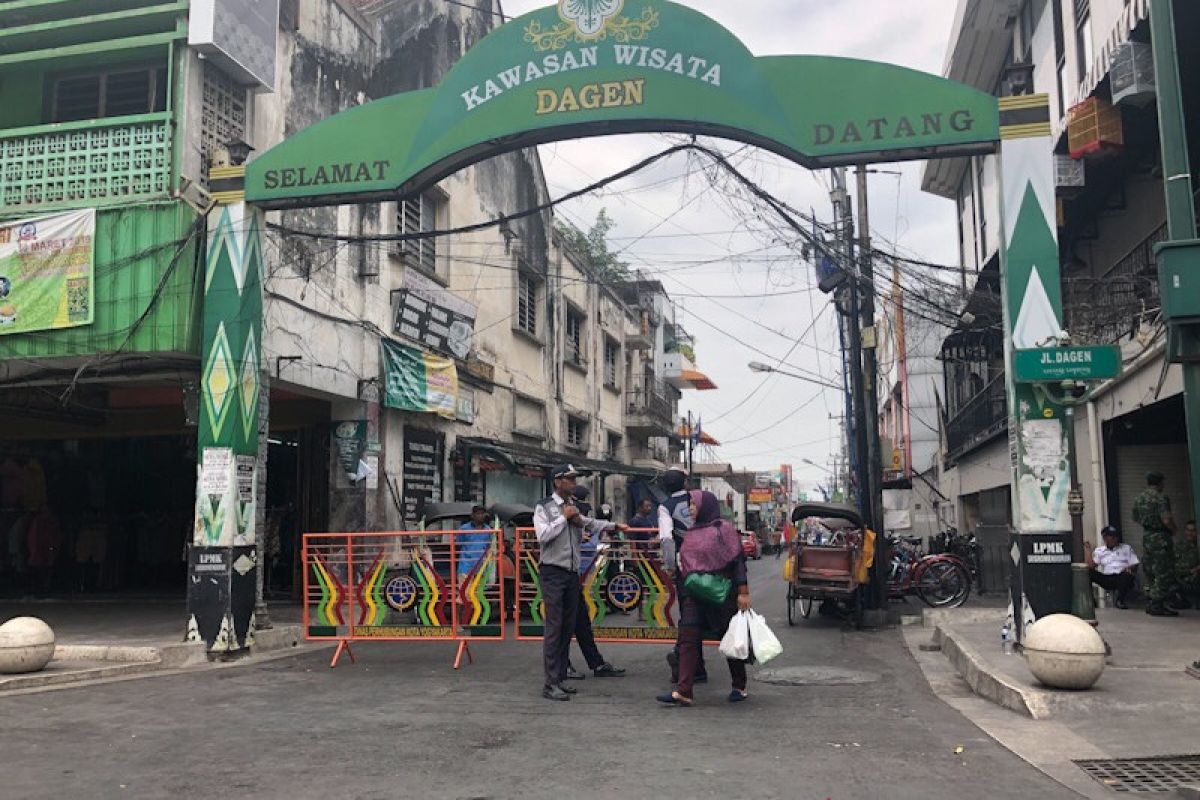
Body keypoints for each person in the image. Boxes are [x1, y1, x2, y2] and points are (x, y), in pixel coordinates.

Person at [534, 464, 626, 701]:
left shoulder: (571, 506)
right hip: (553, 572)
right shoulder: (544, 507)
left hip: (571, 573)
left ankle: (561, 677)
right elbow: (543, 536)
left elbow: (589, 523)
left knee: (567, 627)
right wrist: (562, 520)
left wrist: (614, 526)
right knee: (554, 628)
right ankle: (550, 683)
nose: (574, 483)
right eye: (570, 479)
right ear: (558, 481)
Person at [656, 489, 751, 706]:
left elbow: (738, 561)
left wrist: (743, 591)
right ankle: (684, 691)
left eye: (693, 504)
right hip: (694, 593)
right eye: (689, 504)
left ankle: (739, 685)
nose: (689, 509)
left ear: (704, 506)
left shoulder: (723, 529)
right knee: (688, 637)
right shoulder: (692, 532)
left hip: (722, 593)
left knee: (729, 638)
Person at [658, 466, 707, 685]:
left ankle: (682, 655)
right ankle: (697, 667)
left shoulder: (665, 507)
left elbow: (667, 539)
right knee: (704, 612)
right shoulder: (699, 499)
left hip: (685, 566)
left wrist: (669, 565)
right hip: (710, 563)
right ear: (685, 483)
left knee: (688, 613)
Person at [1132, 471, 1179, 617]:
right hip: (1160, 537)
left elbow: (1135, 517)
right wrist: (1173, 529)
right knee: (1164, 571)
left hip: (1147, 536)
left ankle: (1151, 598)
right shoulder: (1161, 498)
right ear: (1160, 483)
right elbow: (1166, 519)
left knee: (1151, 569)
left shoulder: (1139, 498)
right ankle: (1157, 603)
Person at [1085, 525, 1138, 609]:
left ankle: (1120, 601)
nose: (1114, 539)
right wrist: (1089, 550)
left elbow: (1134, 563)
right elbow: (1091, 566)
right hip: (1107, 577)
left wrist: (1129, 568)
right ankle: (1091, 601)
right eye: (1111, 537)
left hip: (1121, 575)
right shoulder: (1100, 551)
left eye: (1115, 536)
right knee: (1087, 573)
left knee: (1126, 575)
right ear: (1105, 538)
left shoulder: (1126, 548)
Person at [457, 505, 493, 579]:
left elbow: (488, 547)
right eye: (478, 513)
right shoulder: (464, 529)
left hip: (481, 568)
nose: (481, 516)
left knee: (480, 590)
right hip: (466, 566)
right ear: (472, 515)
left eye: (482, 513)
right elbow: (459, 544)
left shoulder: (488, 530)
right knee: (466, 590)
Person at [1171, 520, 1199, 609]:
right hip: (1181, 580)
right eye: (1188, 530)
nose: (1190, 533)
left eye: (1193, 530)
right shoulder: (1179, 546)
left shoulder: (1198, 547)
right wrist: (1191, 571)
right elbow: (1173, 567)